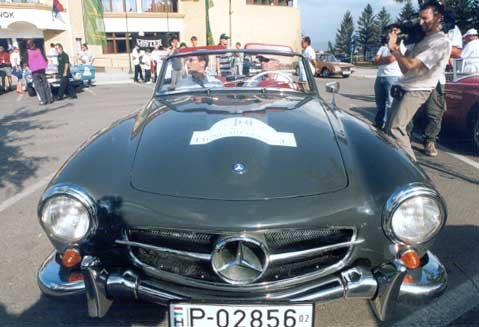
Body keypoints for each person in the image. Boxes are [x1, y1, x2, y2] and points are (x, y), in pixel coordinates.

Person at [386, 0, 452, 161]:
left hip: (417, 89)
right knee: (389, 129)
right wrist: (397, 47)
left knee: (396, 129)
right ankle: (397, 163)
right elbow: (403, 68)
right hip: (405, 86)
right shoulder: (422, 39)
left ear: (439, 18)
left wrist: (394, 48)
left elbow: (409, 65)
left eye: (425, 18)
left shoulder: (441, 43)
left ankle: (412, 170)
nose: (421, 22)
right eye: (419, 18)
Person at [410, 24, 463, 157]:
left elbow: (456, 51)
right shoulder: (420, 25)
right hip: (415, 77)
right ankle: (405, 138)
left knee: (434, 113)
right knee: (409, 110)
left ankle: (430, 140)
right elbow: (410, 49)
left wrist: (434, 49)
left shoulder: (452, 28)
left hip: (436, 78)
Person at [372, 34, 403, 129]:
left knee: (391, 102)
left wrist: (379, 59)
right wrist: (380, 60)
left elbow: (391, 59)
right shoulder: (382, 48)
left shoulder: (399, 47)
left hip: (393, 77)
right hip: (380, 76)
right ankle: (379, 123)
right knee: (379, 102)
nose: (389, 36)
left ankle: (390, 126)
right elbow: (374, 61)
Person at [25, 39, 53, 104]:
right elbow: (45, 59)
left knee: (38, 86)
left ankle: (44, 100)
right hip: (42, 69)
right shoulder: (39, 50)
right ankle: (49, 99)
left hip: (34, 71)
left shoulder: (27, 52)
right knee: (45, 84)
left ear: (28, 45)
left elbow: (26, 62)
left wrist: (28, 65)